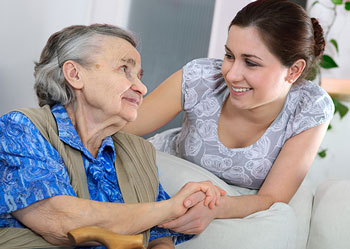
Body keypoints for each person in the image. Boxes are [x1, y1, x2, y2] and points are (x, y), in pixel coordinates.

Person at [123, 0, 334, 247]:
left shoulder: (310, 107)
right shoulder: (201, 77)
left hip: (228, 206)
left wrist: (214, 208)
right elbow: (121, 127)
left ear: (294, 71)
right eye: (229, 55)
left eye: (251, 62)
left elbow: (272, 197)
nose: (231, 74)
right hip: (162, 184)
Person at [0, 24, 225, 249]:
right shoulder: (22, 128)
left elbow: (158, 234)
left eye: (139, 75)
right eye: (124, 69)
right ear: (75, 74)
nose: (142, 88)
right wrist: (169, 208)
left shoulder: (138, 151)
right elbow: (62, 222)